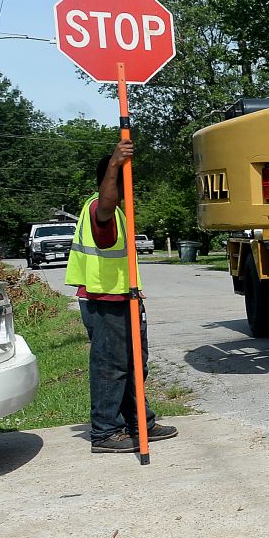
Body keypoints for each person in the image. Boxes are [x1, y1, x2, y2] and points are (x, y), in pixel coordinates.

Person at [68, 142, 177, 453]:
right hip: (104, 301)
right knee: (110, 366)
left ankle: (139, 422)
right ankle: (105, 431)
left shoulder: (120, 214)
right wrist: (115, 166)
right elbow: (105, 204)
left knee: (133, 364)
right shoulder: (99, 208)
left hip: (123, 298)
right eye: (125, 179)